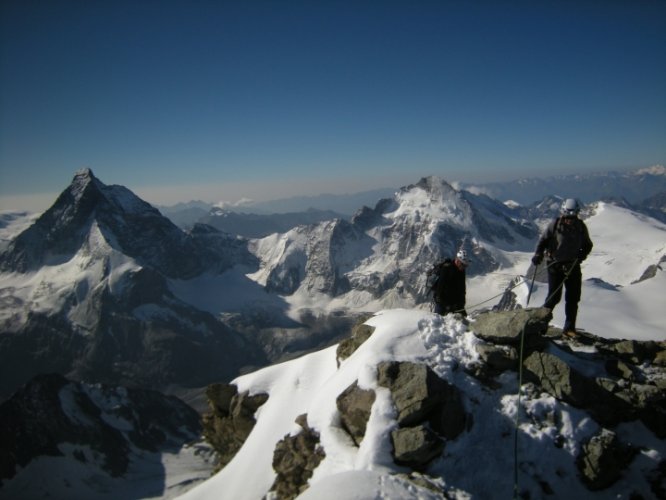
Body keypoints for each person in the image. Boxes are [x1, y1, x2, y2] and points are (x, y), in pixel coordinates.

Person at [531, 198, 593, 336]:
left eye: (572, 216)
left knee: (573, 298)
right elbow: (543, 241)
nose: (570, 219)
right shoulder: (555, 225)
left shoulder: (581, 227)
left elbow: (588, 245)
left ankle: (569, 328)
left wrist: (581, 256)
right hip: (555, 265)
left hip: (572, 266)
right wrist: (538, 254)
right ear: (563, 214)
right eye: (567, 216)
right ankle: (541, 325)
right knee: (554, 297)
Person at [431, 249, 469, 316]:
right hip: (442, 301)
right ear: (458, 261)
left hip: (454, 300)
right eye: (463, 264)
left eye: (465, 265)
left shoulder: (461, 271)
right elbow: (440, 287)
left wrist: (462, 301)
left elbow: (462, 286)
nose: (464, 267)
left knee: (464, 318)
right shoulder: (447, 268)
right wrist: (444, 304)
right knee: (438, 320)